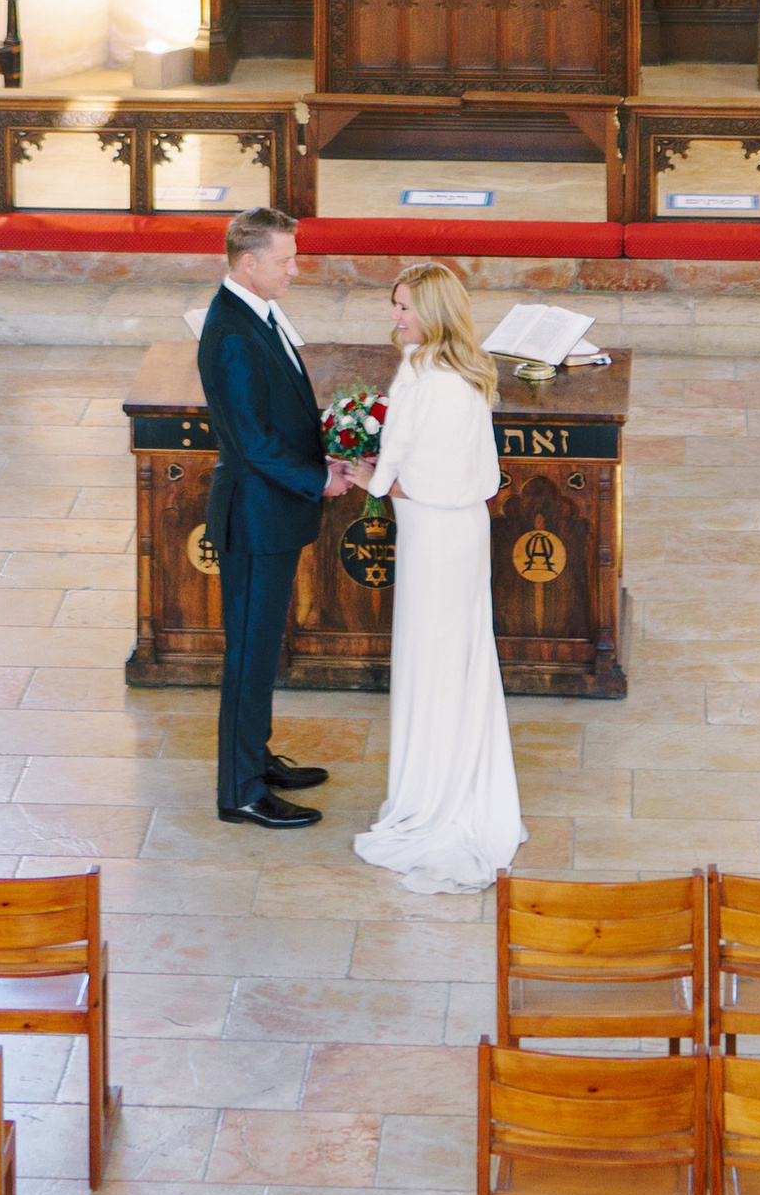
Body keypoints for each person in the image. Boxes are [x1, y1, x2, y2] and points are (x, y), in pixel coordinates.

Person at [344, 259, 525, 895]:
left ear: (434, 312)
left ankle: (440, 801)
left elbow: (447, 478)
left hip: (441, 534)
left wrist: (379, 483)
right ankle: (435, 782)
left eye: (404, 307)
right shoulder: (432, 365)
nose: (395, 316)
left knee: (442, 660)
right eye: (394, 305)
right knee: (437, 658)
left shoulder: (442, 378)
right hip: (435, 530)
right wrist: (385, 474)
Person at [195, 203, 352, 830]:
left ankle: (256, 759)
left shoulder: (253, 312)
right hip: (255, 522)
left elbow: (280, 410)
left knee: (262, 649)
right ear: (248, 262)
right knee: (249, 656)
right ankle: (239, 791)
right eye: (285, 260)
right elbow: (255, 444)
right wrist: (319, 478)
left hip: (272, 515)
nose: (295, 269)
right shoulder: (231, 333)